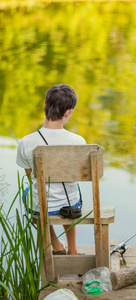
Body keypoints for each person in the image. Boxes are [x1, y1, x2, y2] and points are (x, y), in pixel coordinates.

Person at [16, 84, 86, 255]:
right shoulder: (78, 142)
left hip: (41, 206)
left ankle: (55, 244)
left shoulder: (26, 142)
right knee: (72, 189)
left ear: (45, 103)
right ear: (68, 112)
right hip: (71, 203)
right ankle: (73, 250)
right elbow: (81, 173)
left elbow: (30, 175)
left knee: (29, 192)